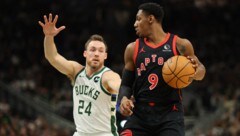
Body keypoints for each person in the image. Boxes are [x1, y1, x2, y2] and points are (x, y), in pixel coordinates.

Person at [118, 2, 206, 136]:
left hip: (170, 114)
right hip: (140, 114)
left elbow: (201, 70)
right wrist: (124, 98)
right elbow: (126, 83)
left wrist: (194, 72)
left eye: (138, 19)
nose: (135, 24)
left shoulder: (180, 44)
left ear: (151, 19)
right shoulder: (132, 49)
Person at [38, 13, 121, 136]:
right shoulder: (76, 71)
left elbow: (118, 85)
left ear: (105, 56)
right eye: (92, 50)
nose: (96, 54)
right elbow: (53, 57)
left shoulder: (108, 75)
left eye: (101, 51)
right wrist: (49, 37)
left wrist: (124, 93)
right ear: (85, 53)